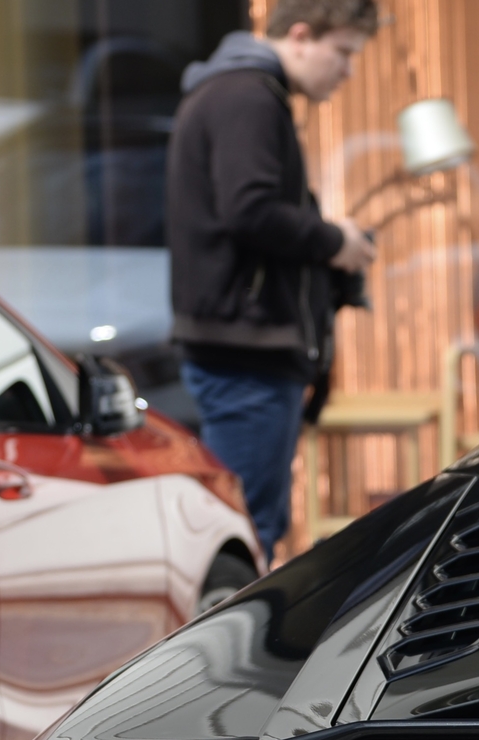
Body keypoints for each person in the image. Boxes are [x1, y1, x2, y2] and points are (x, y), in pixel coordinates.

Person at [168, 0, 380, 561]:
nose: (349, 71)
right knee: (247, 533)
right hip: (247, 347)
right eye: (343, 53)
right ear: (302, 36)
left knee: (248, 525)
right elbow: (250, 210)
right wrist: (335, 243)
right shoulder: (247, 97)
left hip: (242, 342)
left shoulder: (241, 92)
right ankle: (232, 651)